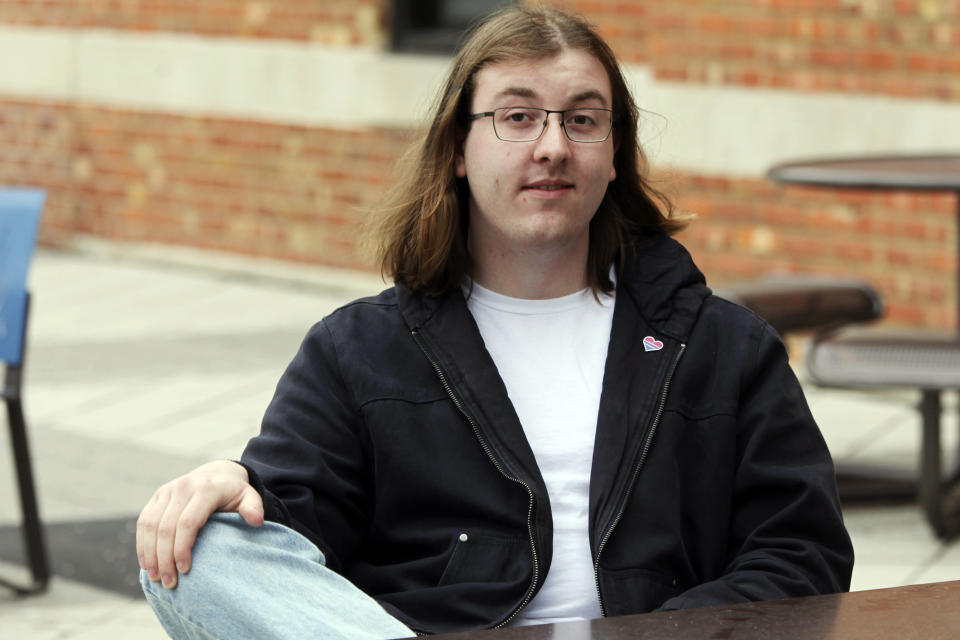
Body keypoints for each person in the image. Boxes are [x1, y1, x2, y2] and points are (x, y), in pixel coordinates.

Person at [137, 6, 853, 639]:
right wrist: (234, 481)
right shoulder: (360, 349)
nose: (552, 146)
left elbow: (800, 550)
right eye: (517, 116)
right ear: (456, 149)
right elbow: (293, 519)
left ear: (614, 155)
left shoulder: (722, 346)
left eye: (582, 118)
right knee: (202, 549)